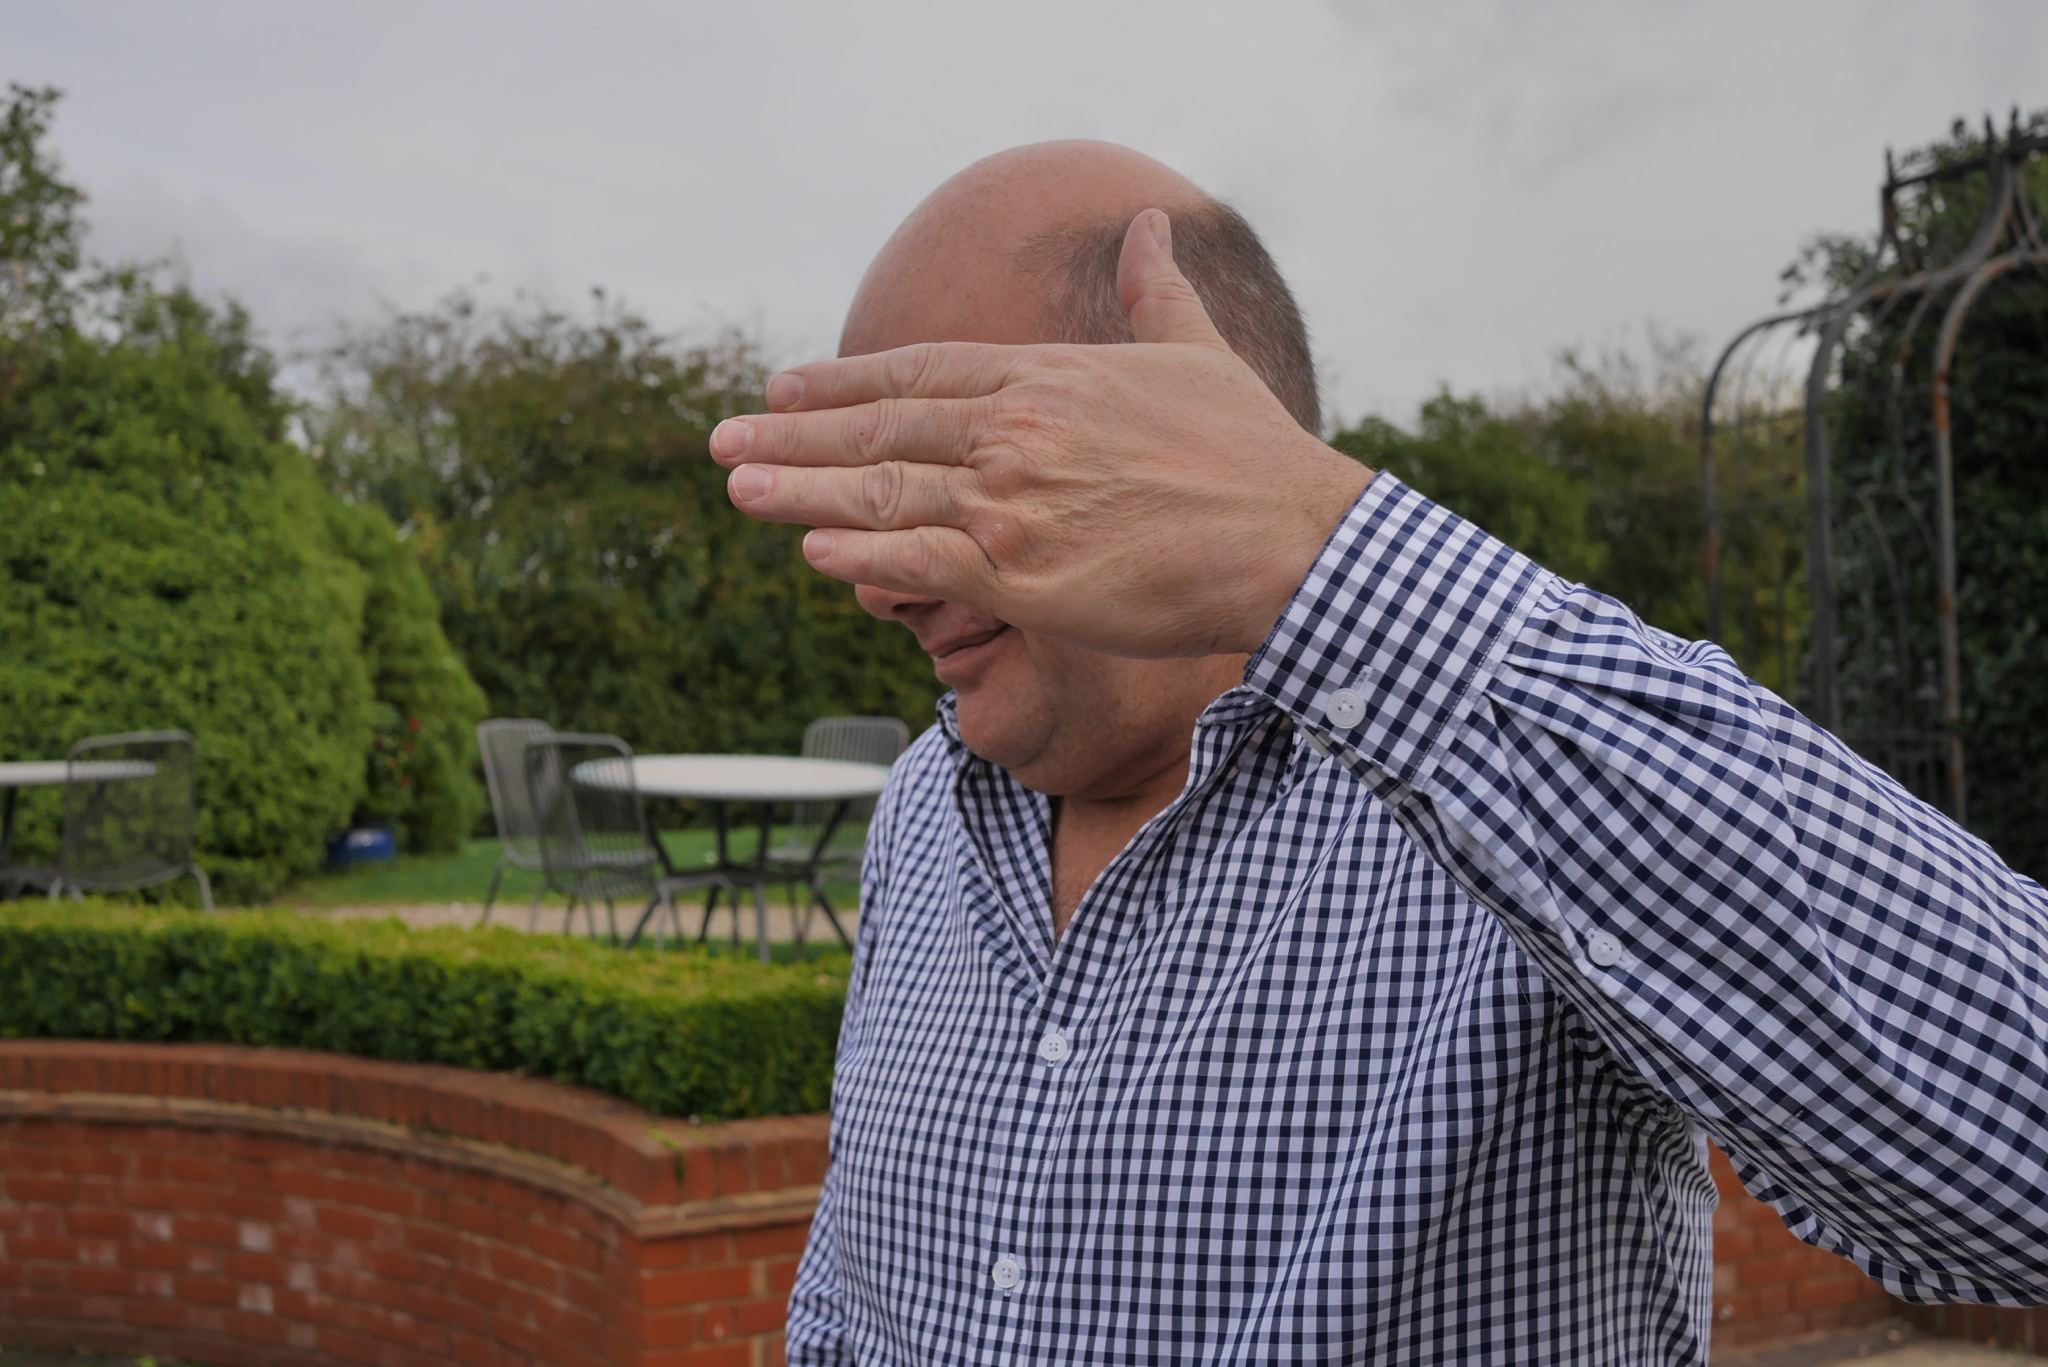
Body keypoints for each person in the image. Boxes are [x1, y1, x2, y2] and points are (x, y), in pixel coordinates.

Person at [709, 141, 2048, 1365]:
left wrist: (1326, 552)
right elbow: (854, 1304)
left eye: (969, 463)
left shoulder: (1515, 803)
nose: (879, 584)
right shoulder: (925, 808)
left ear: (1204, 437)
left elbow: (2018, 1177)